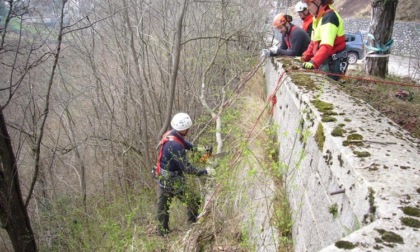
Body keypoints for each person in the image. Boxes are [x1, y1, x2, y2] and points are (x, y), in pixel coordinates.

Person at [155, 112, 211, 236]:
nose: (189, 130)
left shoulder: (171, 134)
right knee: (193, 200)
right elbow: (187, 169)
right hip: (173, 180)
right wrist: (205, 171)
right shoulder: (175, 146)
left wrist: (200, 149)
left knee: (163, 205)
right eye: (188, 128)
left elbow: (185, 144)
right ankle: (192, 227)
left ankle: (161, 232)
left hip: (163, 176)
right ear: (184, 129)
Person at [298, 0, 348, 81]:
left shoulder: (330, 17)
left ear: (317, 2)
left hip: (334, 63)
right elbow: (313, 42)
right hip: (326, 61)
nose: (307, 8)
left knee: (328, 88)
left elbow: (326, 45)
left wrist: (313, 62)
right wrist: (304, 57)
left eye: (309, 4)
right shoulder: (318, 18)